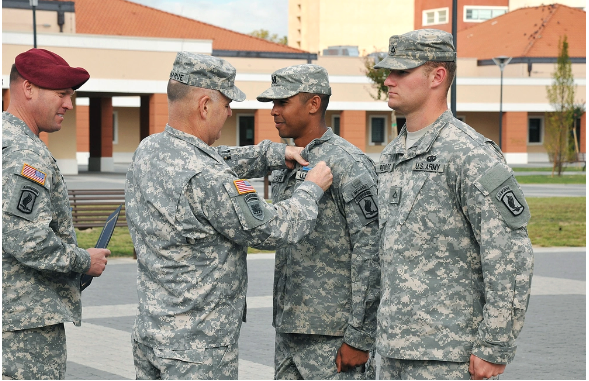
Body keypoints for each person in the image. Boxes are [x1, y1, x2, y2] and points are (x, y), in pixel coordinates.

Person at [125, 52, 333, 380]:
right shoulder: (209, 177)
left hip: (152, 335)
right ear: (205, 105)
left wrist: (273, 153)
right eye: (226, 104)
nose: (229, 113)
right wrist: (311, 189)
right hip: (197, 351)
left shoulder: (150, 150)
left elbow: (215, 157)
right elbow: (274, 229)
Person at [373, 29, 534, 380]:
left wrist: (495, 345)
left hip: (449, 357)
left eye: (401, 71)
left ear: (437, 76)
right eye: (389, 71)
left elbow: (509, 255)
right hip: (391, 350)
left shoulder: (469, 154)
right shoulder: (390, 156)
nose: (388, 80)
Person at [234, 64, 380, 379]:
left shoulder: (348, 164)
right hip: (289, 328)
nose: (273, 111)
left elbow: (371, 252)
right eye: (272, 103)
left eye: (282, 102)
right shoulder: (285, 160)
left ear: (313, 104)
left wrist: (360, 335)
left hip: (333, 335)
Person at [2, 49, 111, 380]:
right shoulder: (25, 153)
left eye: (71, 95)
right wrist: (83, 261)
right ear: (29, 89)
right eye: (62, 93)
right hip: (26, 322)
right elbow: (24, 238)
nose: (69, 104)